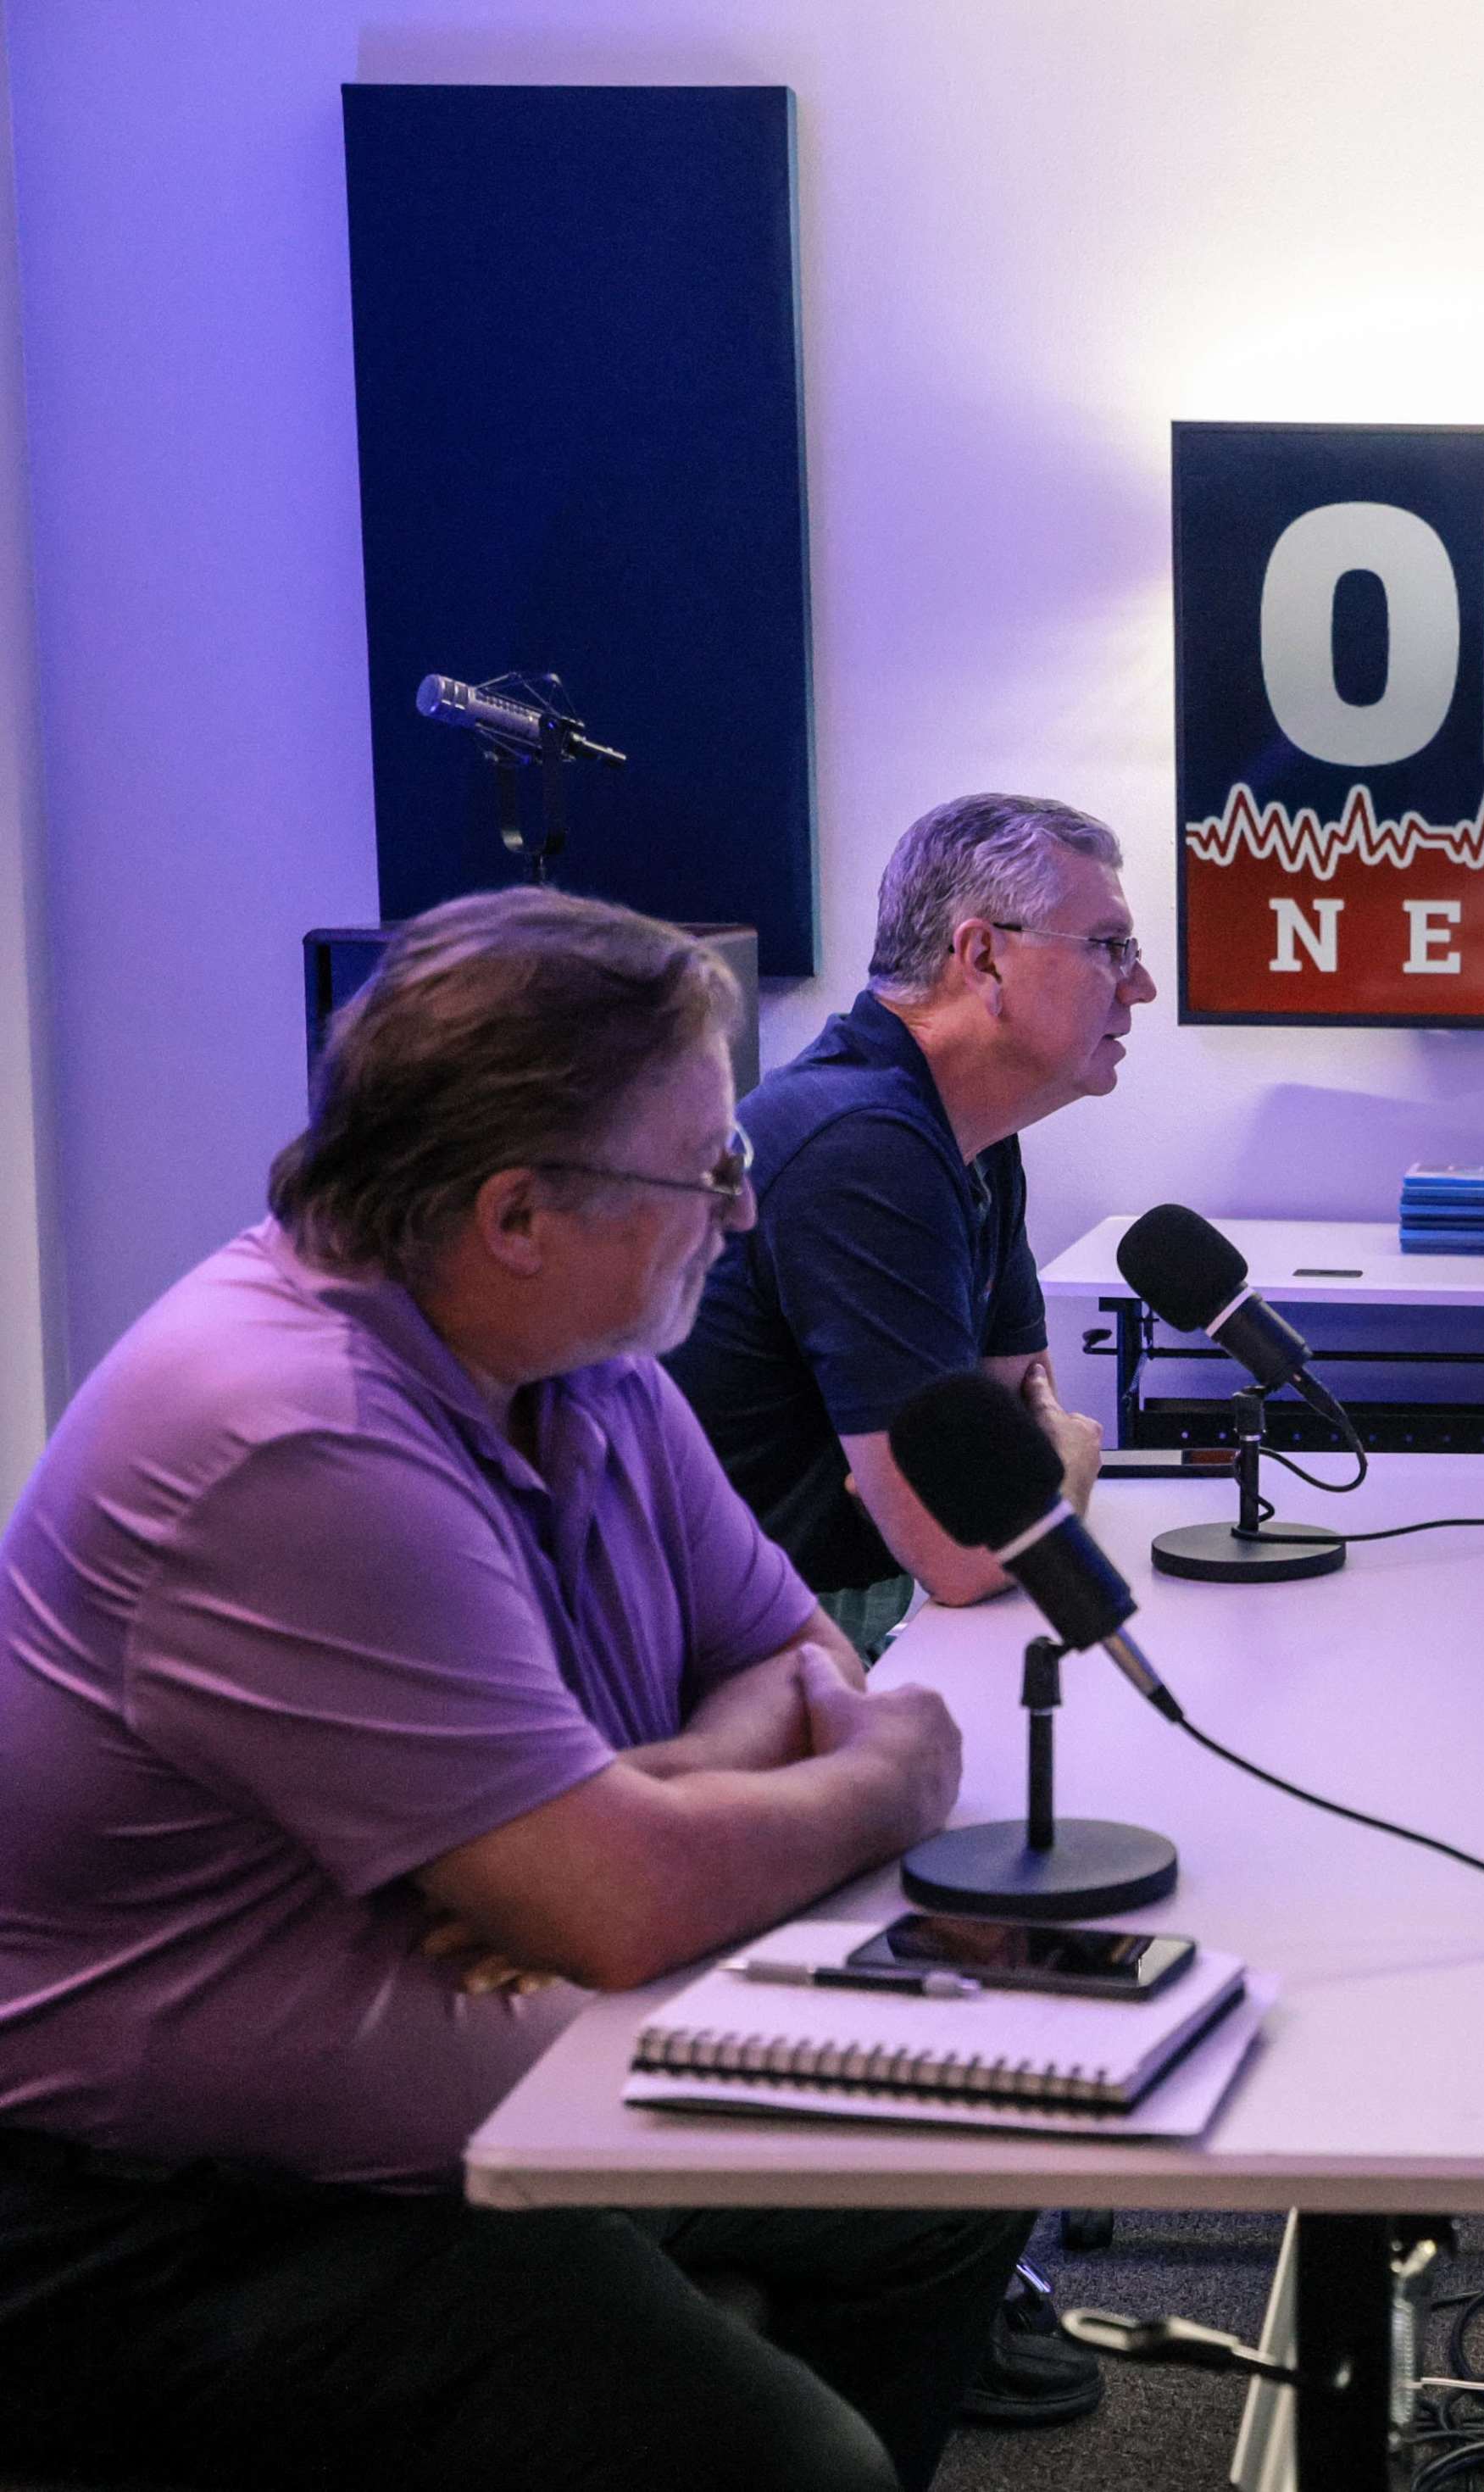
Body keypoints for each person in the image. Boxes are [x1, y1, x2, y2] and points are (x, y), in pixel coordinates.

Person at [0, 890, 1018, 2492]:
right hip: (184, 2217)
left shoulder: (583, 1355)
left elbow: (798, 1662)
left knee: (953, 2180)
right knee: (786, 2465)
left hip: (525, 2065)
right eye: (710, 1171)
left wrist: (649, 1799)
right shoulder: (296, 1434)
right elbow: (628, 1902)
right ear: (516, 1214)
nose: (740, 1216)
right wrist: (896, 1771)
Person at [669, 792, 1153, 1660]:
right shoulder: (861, 1144)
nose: (1141, 987)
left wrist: (1019, 1481)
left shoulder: (973, 1131)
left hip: (857, 1613)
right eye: (1111, 949)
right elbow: (966, 1550)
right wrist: (1073, 1465)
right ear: (984, 958)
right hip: (744, 1652)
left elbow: (1003, 1417)